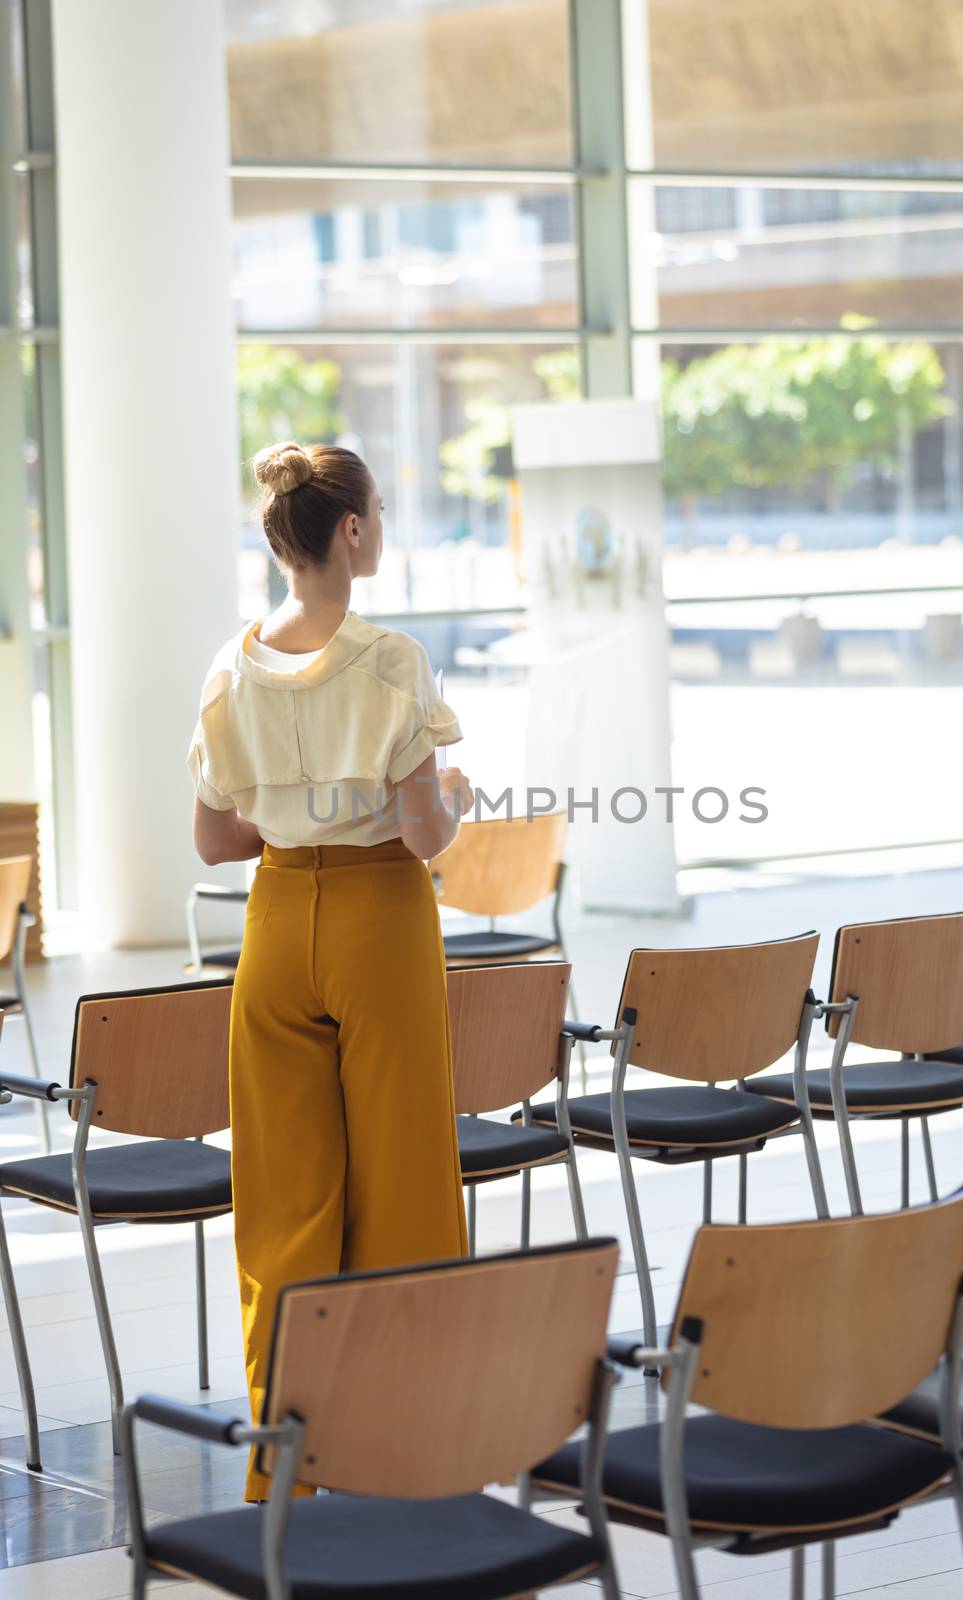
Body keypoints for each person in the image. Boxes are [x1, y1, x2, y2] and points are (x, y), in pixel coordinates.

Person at [187, 441, 472, 1500]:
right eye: (380, 513)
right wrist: (456, 800)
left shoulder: (228, 666)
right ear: (350, 531)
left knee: (281, 1209)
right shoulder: (390, 659)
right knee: (402, 1189)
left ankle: (285, 1478)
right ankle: (405, 1461)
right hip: (378, 923)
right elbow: (420, 836)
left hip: (273, 932)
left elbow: (216, 843)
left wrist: (293, 823)